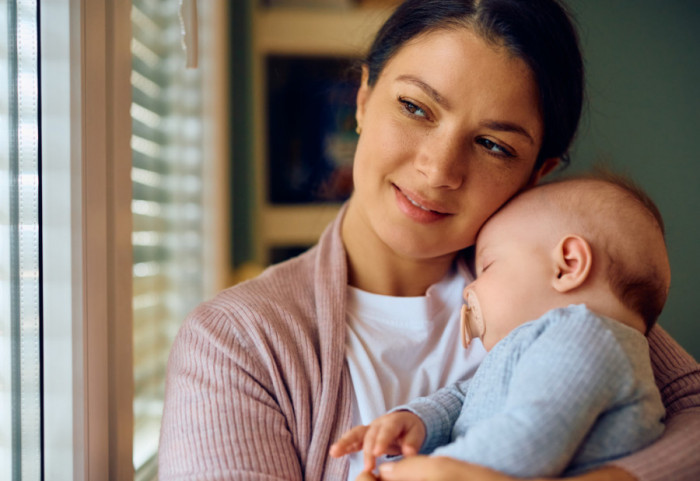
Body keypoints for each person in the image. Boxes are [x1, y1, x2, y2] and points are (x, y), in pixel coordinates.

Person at [158, 1, 700, 480]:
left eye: (492, 144)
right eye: (415, 108)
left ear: (537, 173)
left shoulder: (560, 296)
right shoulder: (238, 343)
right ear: (364, 99)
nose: (438, 169)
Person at [330, 176, 669, 478]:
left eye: (488, 266)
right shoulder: (548, 341)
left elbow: (528, 440)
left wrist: (418, 472)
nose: (468, 289)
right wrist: (419, 420)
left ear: (568, 265)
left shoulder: (587, 339)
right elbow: (467, 397)